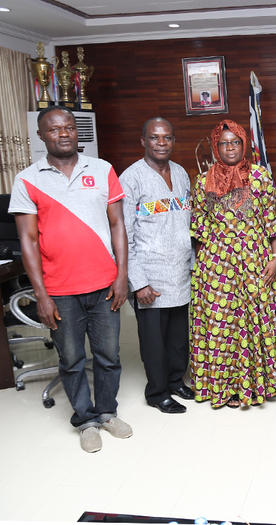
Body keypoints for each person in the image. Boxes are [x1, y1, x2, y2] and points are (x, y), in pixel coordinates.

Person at [9, 106, 131, 453]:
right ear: (41, 136)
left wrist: (122, 276)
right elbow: (28, 242)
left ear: (77, 132)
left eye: (68, 127)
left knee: (108, 354)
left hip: (105, 283)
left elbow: (118, 225)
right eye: (54, 129)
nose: (63, 134)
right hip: (60, 291)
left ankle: (107, 412)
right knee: (72, 358)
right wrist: (41, 295)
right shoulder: (28, 180)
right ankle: (85, 420)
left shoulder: (103, 169)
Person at [190, 119, 276, 408]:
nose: (230, 148)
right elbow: (199, 226)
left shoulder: (260, 176)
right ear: (216, 147)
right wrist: (204, 268)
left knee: (258, 321)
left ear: (244, 144)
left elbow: (272, 221)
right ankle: (227, 388)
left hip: (257, 261)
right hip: (216, 267)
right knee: (222, 325)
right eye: (224, 143)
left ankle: (264, 383)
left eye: (235, 142)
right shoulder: (202, 181)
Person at [121, 117, 194, 414]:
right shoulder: (131, 178)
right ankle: (157, 392)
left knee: (179, 338)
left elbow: (187, 222)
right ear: (143, 141)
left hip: (180, 272)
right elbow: (123, 235)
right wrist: (138, 282)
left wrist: (192, 265)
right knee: (154, 341)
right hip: (149, 276)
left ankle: (176, 381)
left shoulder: (180, 173)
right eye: (155, 138)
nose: (161, 143)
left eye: (167, 138)